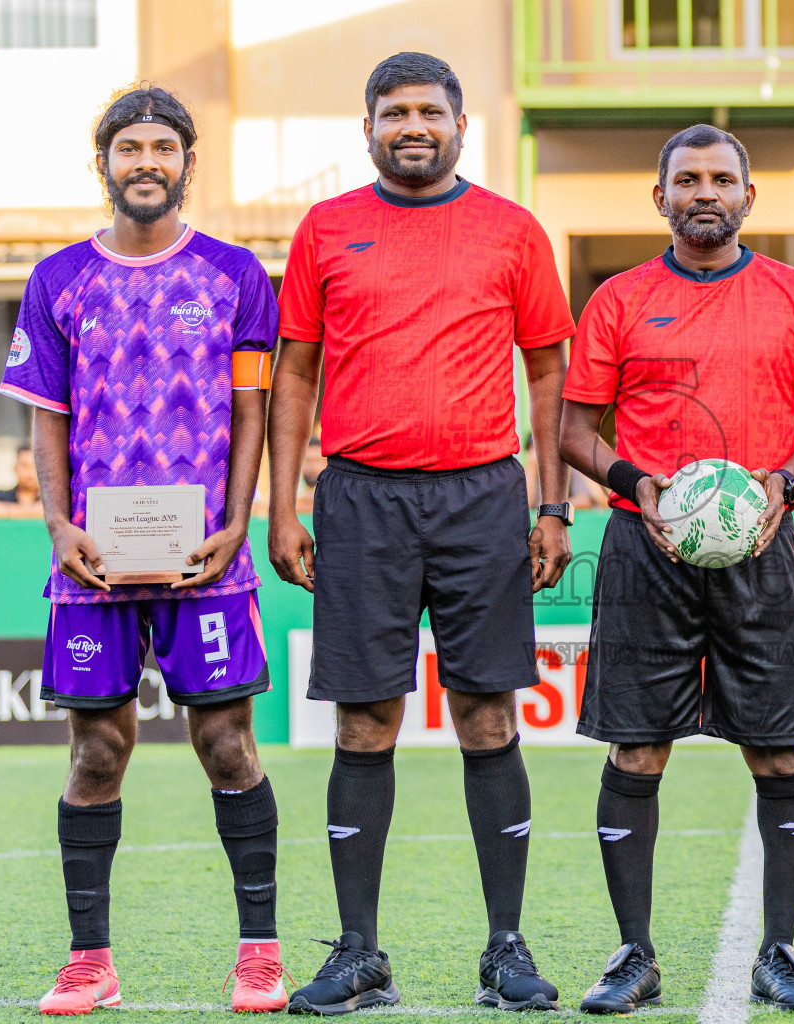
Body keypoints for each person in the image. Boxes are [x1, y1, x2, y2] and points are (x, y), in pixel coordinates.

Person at [266, 52, 576, 1015]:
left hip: (484, 496)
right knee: (365, 720)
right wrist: (285, 504)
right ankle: (359, 954)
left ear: (459, 126)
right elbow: (296, 375)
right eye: (393, 111)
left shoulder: (513, 231)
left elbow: (551, 376)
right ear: (367, 128)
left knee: (488, 714)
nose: (413, 125)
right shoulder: (327, 228)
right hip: (361, 497)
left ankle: (505, 950)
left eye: (429, 111)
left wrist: (553, 501)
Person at [0, 86, 287, 1014]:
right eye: (130, 148)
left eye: (164, 146)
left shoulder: (236, 275)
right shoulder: (57, 281)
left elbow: (252, 409)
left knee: (228, 744)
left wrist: (240, 517)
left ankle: (259, 954)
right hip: (93, 561)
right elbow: (48, 417)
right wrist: (57, 524)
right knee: (94, 756)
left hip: (206, 554)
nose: (147, 161)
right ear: (105, 165)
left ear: (188, 164)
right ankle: (90, 963)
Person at [560, 123, 794, 1013]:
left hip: (762, 547)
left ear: (749, 197)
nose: (705, 192)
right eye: (687, 180)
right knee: (636, 746)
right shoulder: (617, 299)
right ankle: (633, 954)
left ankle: (781, 953)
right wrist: (636, 485)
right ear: (661, 198)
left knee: (778, 747)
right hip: (647, 548)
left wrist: (780, 486)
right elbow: (573, 431)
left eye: (722, 178)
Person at [0, 444, 46, 518]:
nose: (30, 473)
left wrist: (4, 510)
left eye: (34, 467)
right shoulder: (1, 496)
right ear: (15, 468)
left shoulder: (50, 498)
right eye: (24, 466)